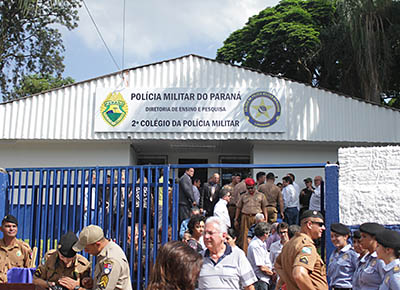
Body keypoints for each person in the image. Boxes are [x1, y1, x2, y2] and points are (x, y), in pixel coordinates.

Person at [197, 216, 257, 290]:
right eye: (204, 233)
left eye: (210, 233)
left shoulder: (238, 255)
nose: (206, 236)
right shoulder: (198, 258)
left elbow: (249, 287)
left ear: (223, 236)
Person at [275, 210, 328, 290]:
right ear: (309, 224)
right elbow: (299, 274)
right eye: (320, 224)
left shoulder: (290, 244)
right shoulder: (307, 245)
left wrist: (290, 282)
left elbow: (277, 265)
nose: (323, 228)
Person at [72, 225, 132, 290]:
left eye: (87, 248)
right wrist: (94, 283)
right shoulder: (105, 251)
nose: (85, 251)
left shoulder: (111, 259)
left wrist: (76, 288)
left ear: (97, 244)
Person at [235, 178, 268, 253]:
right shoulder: (243, 196)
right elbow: (238, 208)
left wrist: (266, 218)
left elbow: (264, 207)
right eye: (248, 188)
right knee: (245, 236)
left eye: (252, 187)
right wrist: (236, 219)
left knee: (258, 234)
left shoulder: (261, 195)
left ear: (255, 186)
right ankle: (246, 253)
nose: (250, 190)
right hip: (245, 217)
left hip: (257, 217)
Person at [353, 222, 385, 290]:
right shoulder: (365, 259)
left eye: (364, 236)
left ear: (374, 239)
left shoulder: (380, 259)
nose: (360, 239)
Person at [0, 214, 32, 283]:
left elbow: (29, 271)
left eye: (14, 226)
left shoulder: (24, 248)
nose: (11, 229)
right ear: (1, 229)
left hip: (16, 286)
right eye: (8, 226)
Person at [327, 223, 358, 290]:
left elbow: (359, 274)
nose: (334, 239)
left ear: (345, 237)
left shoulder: (352, 253)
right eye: (332, 236)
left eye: (337, 236)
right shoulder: (334, 254)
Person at [247, 222, 273, 290]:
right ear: (265, 234)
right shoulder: (255, 246)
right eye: (268, 233)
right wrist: (273, 274)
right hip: (260, 280)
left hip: (264, 280)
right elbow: (262, 268)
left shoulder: (262, 243)